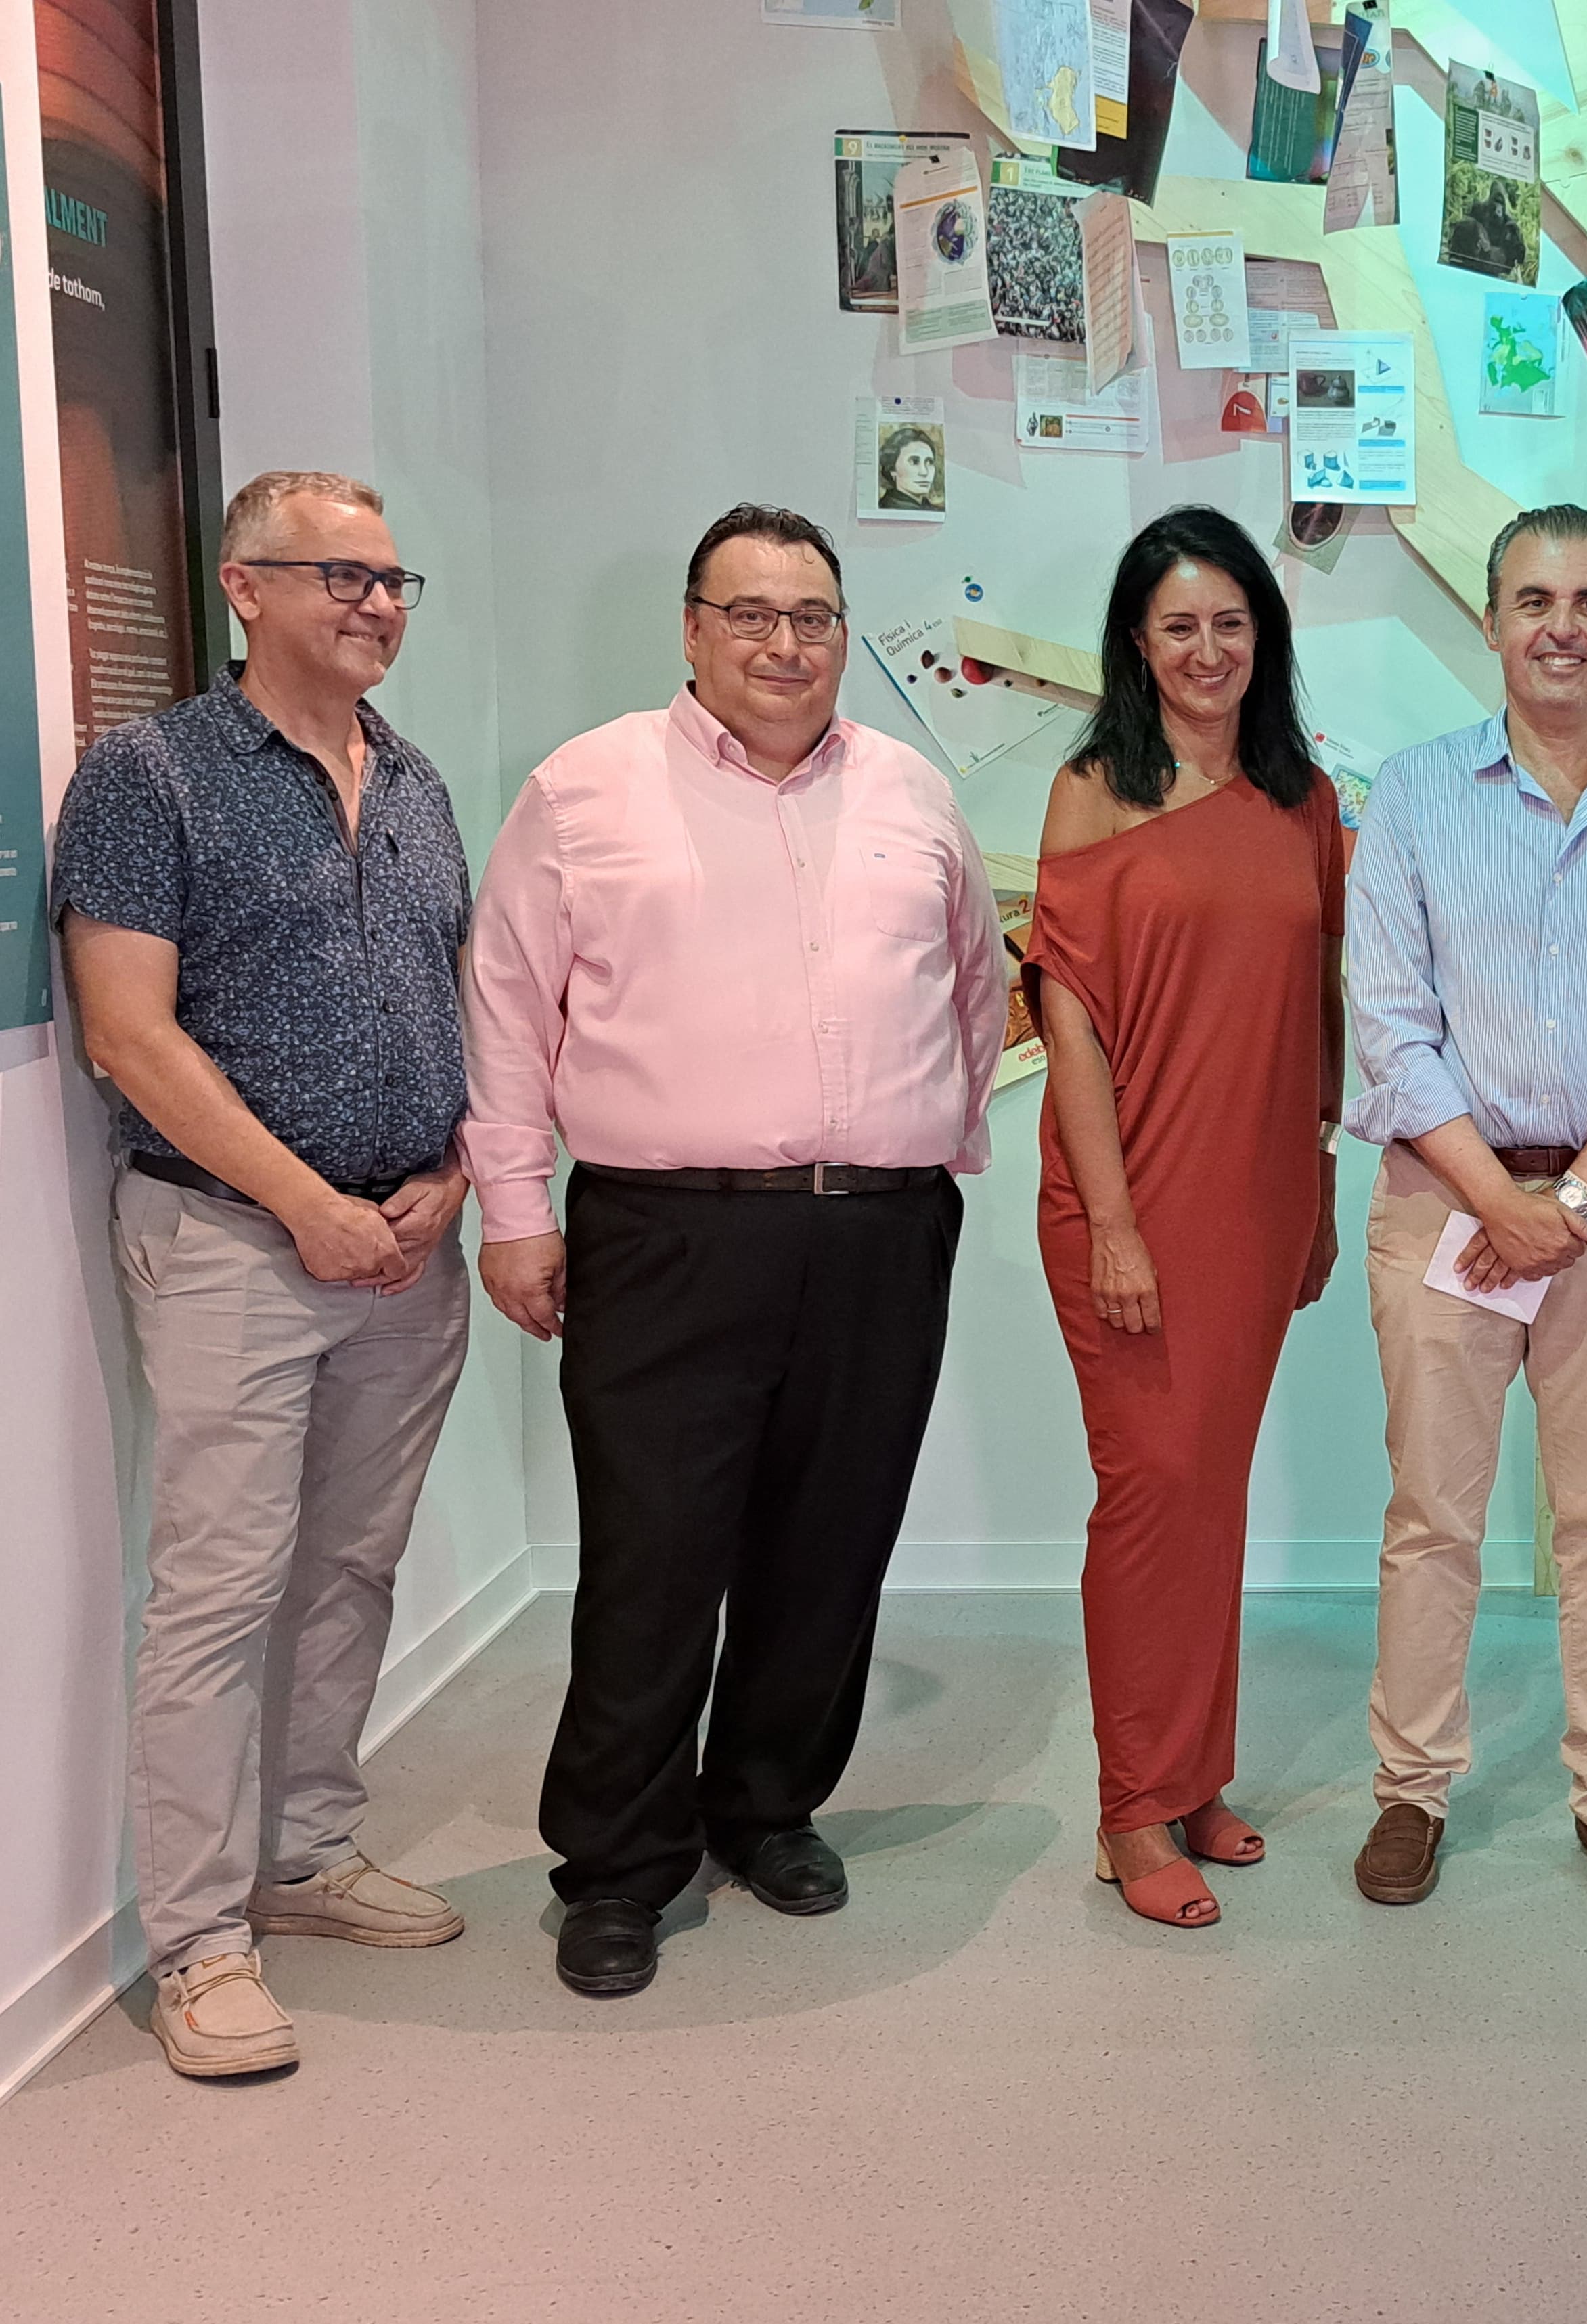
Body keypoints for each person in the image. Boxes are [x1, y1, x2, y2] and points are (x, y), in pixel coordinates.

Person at [461, 504, 1009, 1997]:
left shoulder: (910, 789)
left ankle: (766, 1807)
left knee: (829, 1546)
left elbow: (976, 985)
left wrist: (929, 1147)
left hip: (879, 1231)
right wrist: (515, 1212)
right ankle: (619, 1866)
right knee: (654, 1559)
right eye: (750, 613)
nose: (784, 643)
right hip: (666, 1234)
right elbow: (505, 1010)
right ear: (694, 630)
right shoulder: (584, 789)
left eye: (812, 615)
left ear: (842, 633)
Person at [52, 470, 470, 2080]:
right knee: (221, 1590)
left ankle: (305, 1849)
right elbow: (128, 1033)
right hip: (234, 1243)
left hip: (406, 1251)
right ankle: (199, 1943)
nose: (379, 605)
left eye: (393, 580)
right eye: (341, 577)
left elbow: (455, 1000)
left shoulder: (415, 781)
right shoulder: (149, 775)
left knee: (352, 1565)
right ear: (244, 587)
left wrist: (448, 1180)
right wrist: (305, 1203)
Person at [1343, 504, 1587, 1907]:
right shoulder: (1413, 796)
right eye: (1533, 601)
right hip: (1441, 1196)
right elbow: (1390, 1024)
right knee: (1431, 1515)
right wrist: (1494, 1200)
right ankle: (1411, 1789)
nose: (1560, 627)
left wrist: (1562, 1196)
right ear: (1494, 623)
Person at [1028, 508, 1345, 1930]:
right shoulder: (1093, 791)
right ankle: (1129, 1809)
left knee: (1210, 1494)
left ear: (1260, 634)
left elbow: (1321, 1007)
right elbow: (1069, 1020)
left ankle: (1193, 1774)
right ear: (1136, 643)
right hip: (1132, 1196)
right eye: (1178, 627)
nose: (1207, 650)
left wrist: (1318, 1184)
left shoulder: (1302, 799)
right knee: (1152, 1494)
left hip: (1260, 1196)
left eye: (1230, 623)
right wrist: (1112, 1222)